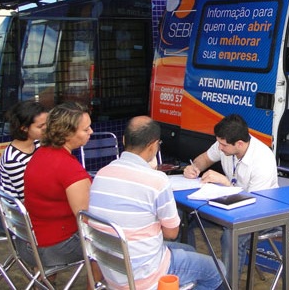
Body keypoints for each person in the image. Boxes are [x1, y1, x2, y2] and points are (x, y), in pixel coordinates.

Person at [89, 116, 223, 290]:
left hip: (112, 270)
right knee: (218, 270)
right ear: (153, 146)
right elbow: (171, 233)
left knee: (187, 249)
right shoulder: (157, 180)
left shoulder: (101, 174)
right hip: (145, 275)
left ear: (123, 140)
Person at [184, 113, 278, 279]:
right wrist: (194, 168)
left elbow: (254, 205)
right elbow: (205, 158)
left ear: (239, 144)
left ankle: (227, 285)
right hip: (228, 207)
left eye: (223, 145)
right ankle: (186, 273)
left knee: (232, 236)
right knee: (184, 217)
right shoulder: (225, 142)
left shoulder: (262, 159)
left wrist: (226, 184)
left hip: (261, 213)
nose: (220, 148)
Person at [22, 101, 101, 286]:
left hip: (28, 241)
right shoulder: (69, 169)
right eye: (86, 129)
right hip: (53, 247)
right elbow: (86, 219)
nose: (91, 132)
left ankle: (44, 281)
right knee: (110, 244)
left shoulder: (41, 154)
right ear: (67, 133)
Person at [0, 101, 48, 201]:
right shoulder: (13, 160)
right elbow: (26, 195)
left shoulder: (38, 143)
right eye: (40, 126)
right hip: (19, 208)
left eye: (47, 123)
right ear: (24, 128)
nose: (46, 128)